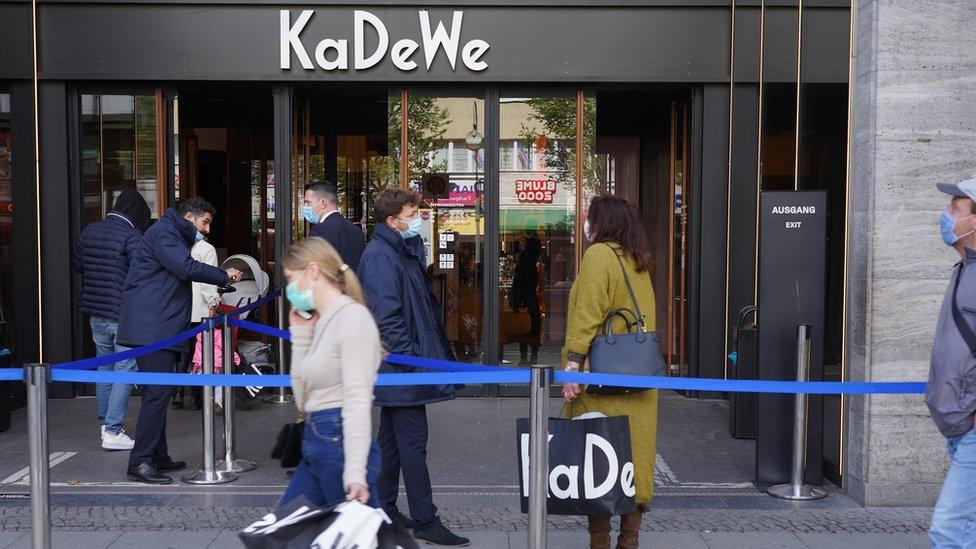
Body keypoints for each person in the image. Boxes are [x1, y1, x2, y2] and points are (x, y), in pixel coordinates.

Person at [357, 188, 469, 547]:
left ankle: (384, 507)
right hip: (399, 366)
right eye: (413, 212)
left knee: (391, 442)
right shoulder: (380, 255)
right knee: (413, 443)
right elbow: (386, 316)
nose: (419, 218)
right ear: (392, 221)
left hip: (400, 366)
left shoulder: (398, 250)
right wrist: (408, 359)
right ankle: (424, 519)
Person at [117, 197, 242, 485]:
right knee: (157, 394)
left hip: (160, 326)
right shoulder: (165, 234)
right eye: (204, 222)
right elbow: (186, 268)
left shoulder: (169, 233)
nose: (207, 230)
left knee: (159, 392)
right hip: (152, 328)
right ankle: (141, 460)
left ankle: (158, 456)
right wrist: (223, 274)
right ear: (188, 217)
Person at [561, 195, 659, 549]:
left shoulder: (599, 255)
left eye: (590, 215)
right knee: (634, 463)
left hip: (601, 378)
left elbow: (588, 314)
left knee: (599, 462)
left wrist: (573, 366)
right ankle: (628, 542)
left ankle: (599, 542)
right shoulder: (638, 259)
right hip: (638, 379)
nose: (586, 221)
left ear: (603, 222)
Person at [278, 237, 382, 510]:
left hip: (338, 442)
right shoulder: (325, 319)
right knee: (288, 531)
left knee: (353, 534)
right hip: (318, 438)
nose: (290, 288)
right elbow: (303, 398)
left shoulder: (353, 319)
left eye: (291, 278)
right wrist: (300, 336)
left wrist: (355, 473)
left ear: (313, 271)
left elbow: (358, 400)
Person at [73, 188, 152, 451]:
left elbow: (78, 265)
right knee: (126, 369)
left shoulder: (89, 231)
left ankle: (105, 425)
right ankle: (114, 430)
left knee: (105, 368)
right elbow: (142, 271)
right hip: (122, 314)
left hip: (95, 313)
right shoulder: (131, 235)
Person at [927, 176, 976, 547]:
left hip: (972, 426)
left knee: (949, 530)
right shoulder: (964, 270)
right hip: (961, 427)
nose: (945, 215)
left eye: (954, 209)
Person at [172, 235, 221, 411]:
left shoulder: (175, 245)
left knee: (183, 351)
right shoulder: (207, 249)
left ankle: (178, 392)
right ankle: (195, 395)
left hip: (178, 308)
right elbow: (207, 281)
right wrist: (213, 302)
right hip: (199, 309)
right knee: (198, 352)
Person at [304, 180, 366, 271]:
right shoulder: (356, 230)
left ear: (322, 204)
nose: (305, 206)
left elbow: (316, 271)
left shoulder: (320, 230)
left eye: (308, 202)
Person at [510, 229, 542, 365]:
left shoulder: (525, 262)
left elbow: (519, 280)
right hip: (529, 298)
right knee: (529, 328)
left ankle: (525, 357)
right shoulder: (531, 263)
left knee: (524, 327)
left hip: (525, 296)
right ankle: (530, 356)